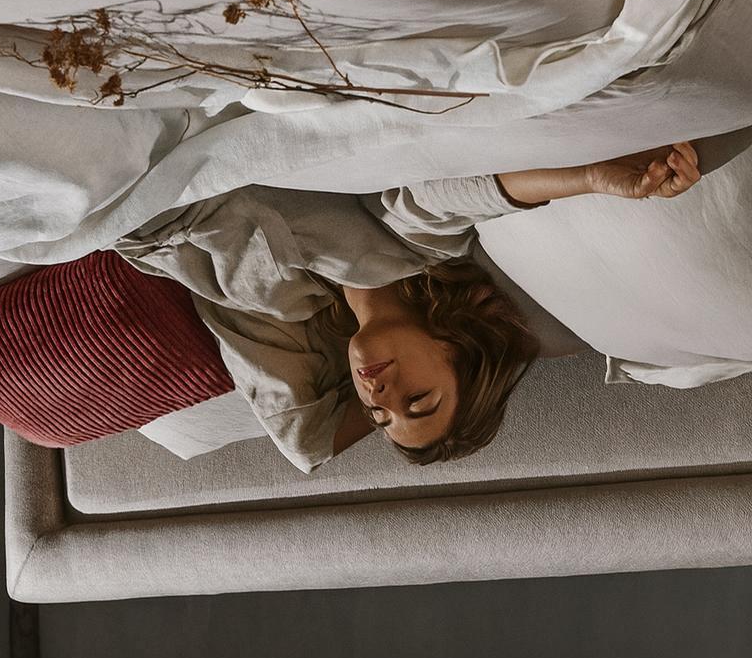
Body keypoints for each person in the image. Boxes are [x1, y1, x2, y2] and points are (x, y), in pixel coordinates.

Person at [114, 141, 702, 473]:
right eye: (417, 399)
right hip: (196, 138)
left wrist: (412, 422)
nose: (380, 394)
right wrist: (593, 175)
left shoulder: (284, 312)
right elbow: (456, 195)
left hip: (130, 196)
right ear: (454, 351)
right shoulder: (411, 247)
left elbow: (304, 441)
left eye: (377, 413)